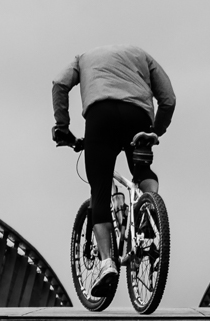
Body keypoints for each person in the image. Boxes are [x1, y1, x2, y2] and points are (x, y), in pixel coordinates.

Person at [51, 44, 175, 297]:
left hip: (101, 117)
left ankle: (107, 264)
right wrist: (156, 131)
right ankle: (149, 210)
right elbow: (168, 98)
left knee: (99, 190)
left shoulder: (82, 58)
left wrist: (63, 127)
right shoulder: (141, 55)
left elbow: (59, 84)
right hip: (137, 117)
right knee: (142, 173)